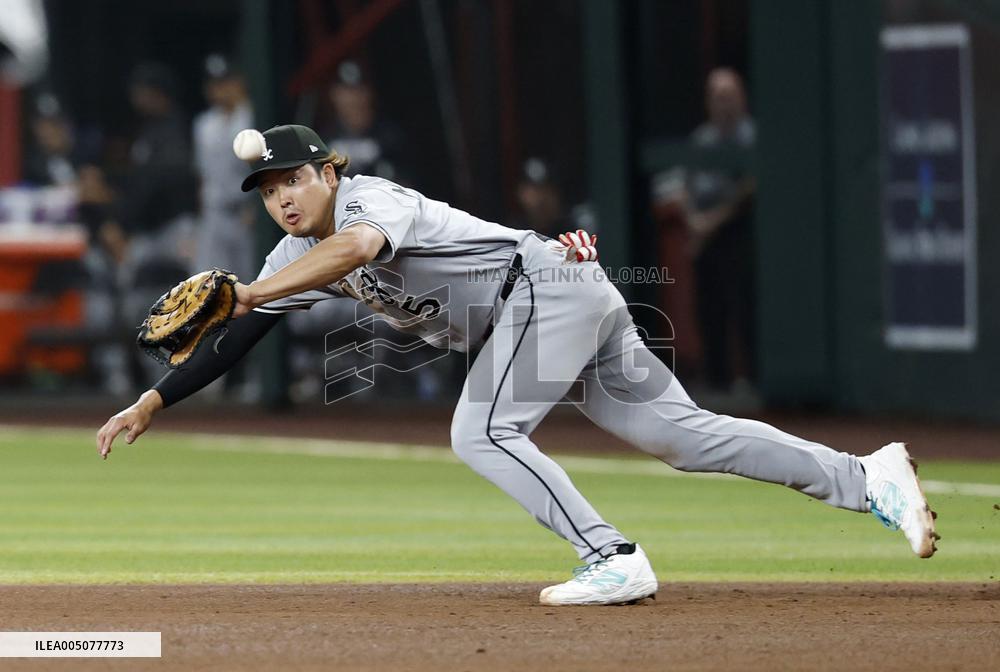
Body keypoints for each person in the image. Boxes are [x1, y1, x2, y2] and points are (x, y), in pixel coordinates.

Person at [96, 125, 938, 606]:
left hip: (542, 290)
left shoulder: (365, 201)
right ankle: (869, 479)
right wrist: (153, 402)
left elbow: (355, 248)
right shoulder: (287, 252)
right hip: (552, 302)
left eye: (293, 178)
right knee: (685, 437)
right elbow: (245, 329)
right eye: (269, 188)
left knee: (483, 429)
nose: (282, 196)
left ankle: (612, 558)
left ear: (327, 171)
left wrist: (249, 291)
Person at [686, 67, 757, 390]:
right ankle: (716, 380)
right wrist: (694, 222)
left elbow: (750, 189)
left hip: (740, 237)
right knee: (708, 309)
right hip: (704, 241)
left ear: (742, 98)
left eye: (729, 96)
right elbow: (685, 187)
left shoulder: (751, 136)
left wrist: (710, 223)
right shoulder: (701, 140)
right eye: (717, 97)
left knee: (744, 308)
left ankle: (753, 378)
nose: (723, 103)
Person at [192, 53, 255, 281]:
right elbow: (203, 175)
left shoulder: (251, 117)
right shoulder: (203, 125)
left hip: (246, 212)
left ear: (238, 83)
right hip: (215, 213)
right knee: (210, 285)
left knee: (252, 281)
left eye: (225, 82)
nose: (220, 89)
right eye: (214, 84)